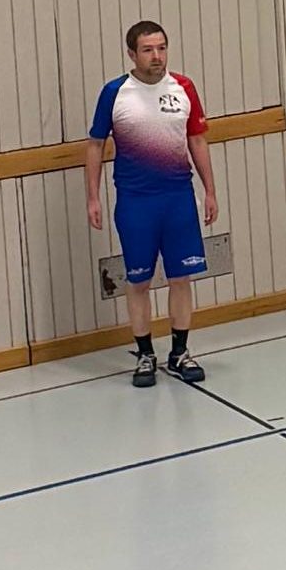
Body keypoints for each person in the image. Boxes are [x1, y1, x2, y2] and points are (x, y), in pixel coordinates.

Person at [84, 21, 219, 389]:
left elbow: (197, 140)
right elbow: (95, 145)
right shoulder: (115, 93)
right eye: (147, 50)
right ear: (132, 54)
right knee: (139, 280)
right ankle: (145, 354)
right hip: (136, 202)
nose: (156, 56)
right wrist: (93, 197)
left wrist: (209, 190)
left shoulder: (184, 87)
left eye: (161, 48)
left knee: (181, 277)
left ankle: (179, 353)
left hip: (178, 198)